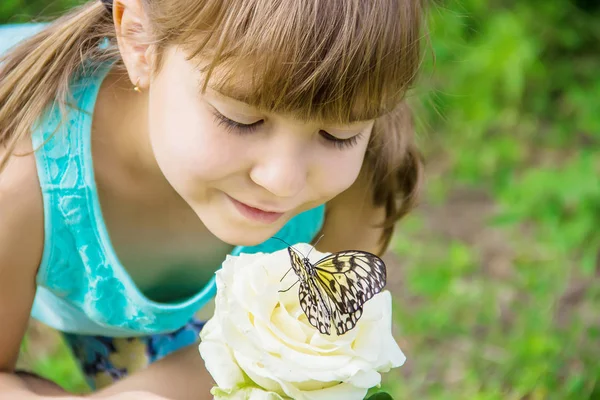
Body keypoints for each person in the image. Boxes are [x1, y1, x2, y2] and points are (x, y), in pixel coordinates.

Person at [0, 0, 425, 398]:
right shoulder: (19, 174)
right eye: (242, 119)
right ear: (139, 43)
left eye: (338, 135)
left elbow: (313, 344)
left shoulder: (368, 168)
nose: (282, 180)